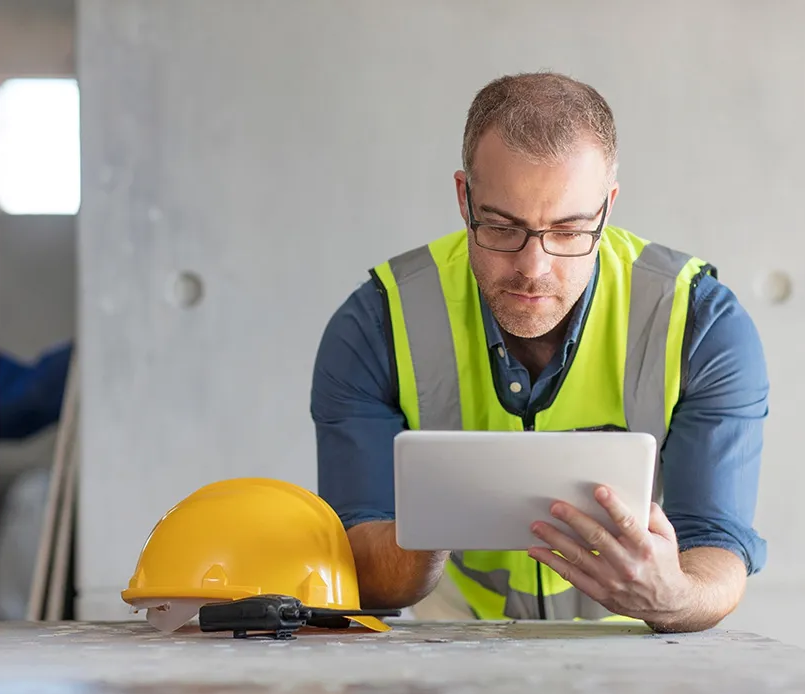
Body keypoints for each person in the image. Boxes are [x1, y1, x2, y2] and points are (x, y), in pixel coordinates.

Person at [309, 71, 768, 633]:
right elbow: (359, 570)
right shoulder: (376, 321)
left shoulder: (700, 321)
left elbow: (717, 548)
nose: (534, 267)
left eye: (570, 230)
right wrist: (437, 520)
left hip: (629, 639)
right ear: (464, 198)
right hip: (453, 634)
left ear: (607, 207)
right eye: (502, 227)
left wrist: (673, 597)